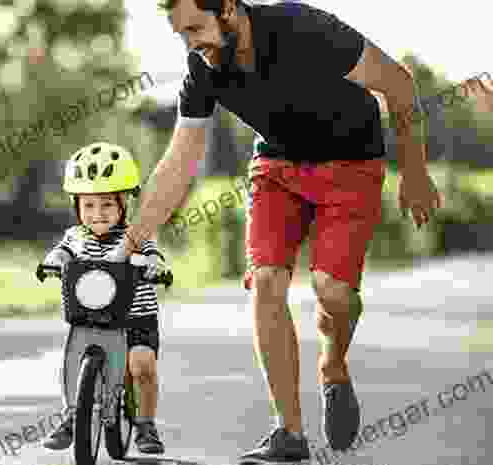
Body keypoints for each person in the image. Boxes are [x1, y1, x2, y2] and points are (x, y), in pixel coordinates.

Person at [121, 0, 442, 463]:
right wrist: (134, 240)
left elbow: (398, 83)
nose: (191, 44)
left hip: (352, 163)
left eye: (196, 28)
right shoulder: (204, 69)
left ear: (228, 9)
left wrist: (413, 170)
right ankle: (288, 433)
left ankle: (333, 364)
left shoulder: (305, 28)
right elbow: (180, 160)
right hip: (276, 169)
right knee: (266, 282)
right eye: (181, 34)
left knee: (334, 292)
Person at [36, 142, 168, 454]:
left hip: (135, 317)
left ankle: (146, 424)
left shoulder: (135, 236)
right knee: (72, 361)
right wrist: (53, 261)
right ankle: (73, 415)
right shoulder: (76, 237)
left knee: (142, 365)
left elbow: (152, 255)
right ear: (76, 206)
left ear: (124, 204)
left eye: (107, 205)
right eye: (89, 206)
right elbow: (61, 251)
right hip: (89, 315)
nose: (97, 214)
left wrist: (153, 266)